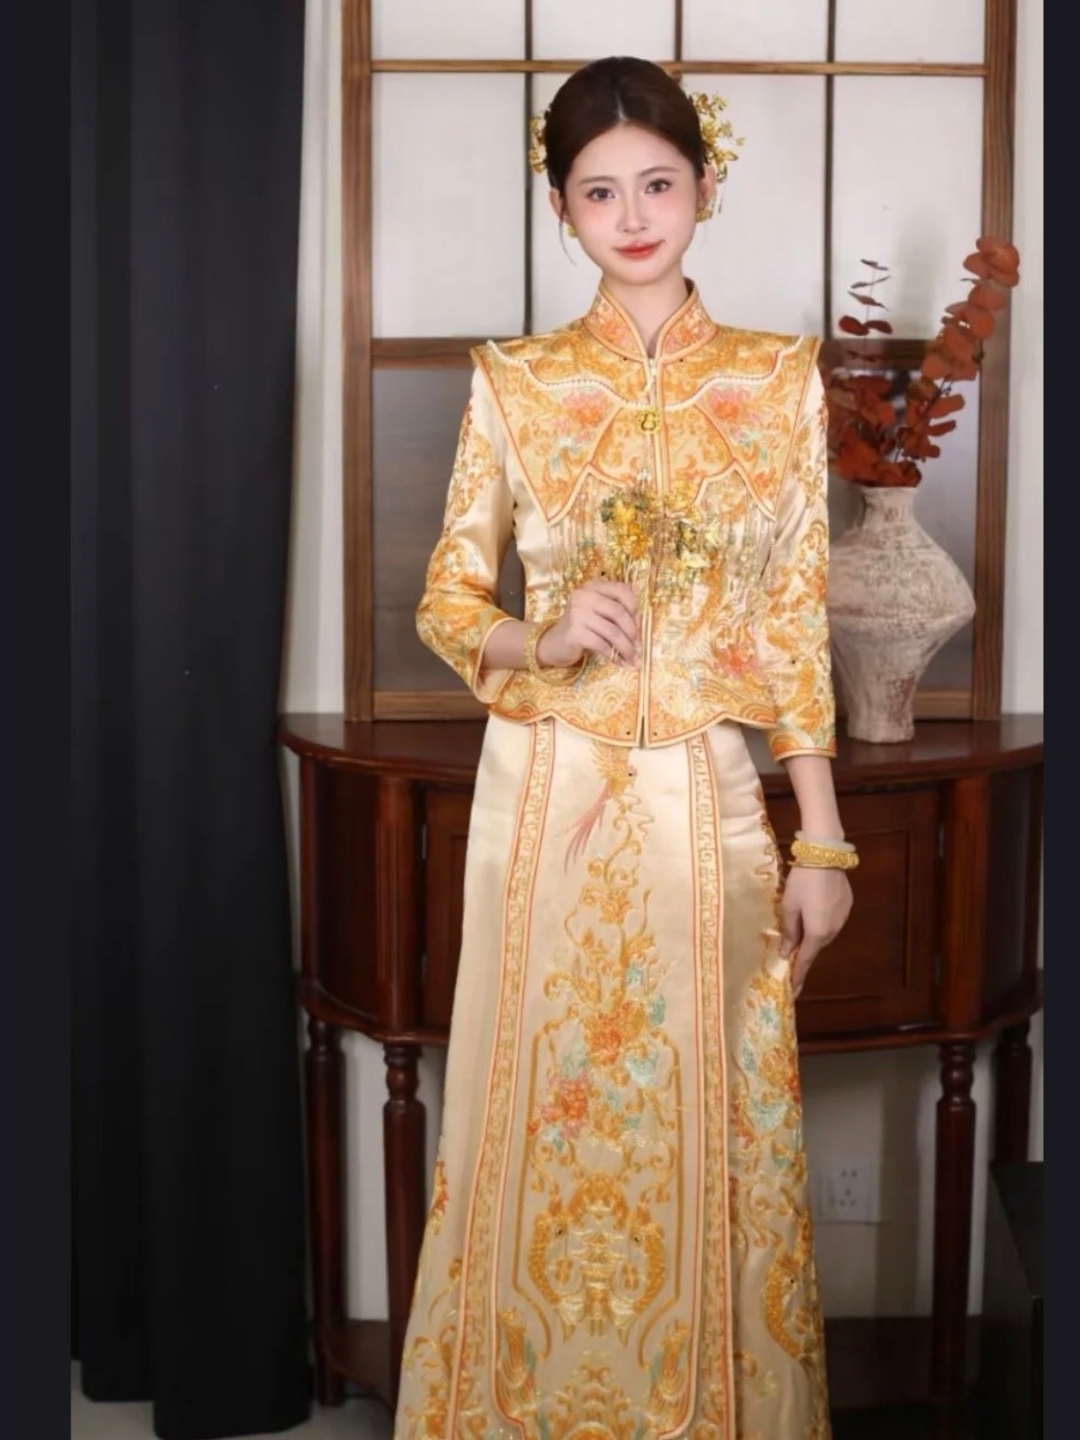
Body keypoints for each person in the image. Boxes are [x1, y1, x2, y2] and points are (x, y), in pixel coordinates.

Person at [396, 55, 855, 1440]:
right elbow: (444, 601)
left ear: (704, 186)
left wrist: (823, 843)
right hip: (546, 801)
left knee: (717, 1124)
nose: (634, 215)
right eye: (600, 193)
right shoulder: (518, 383)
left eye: (658, 183)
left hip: (707, 801)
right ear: (561, 210)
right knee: (534, 1119)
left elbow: (794, 624)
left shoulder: (777, 380)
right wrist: (540, 634)